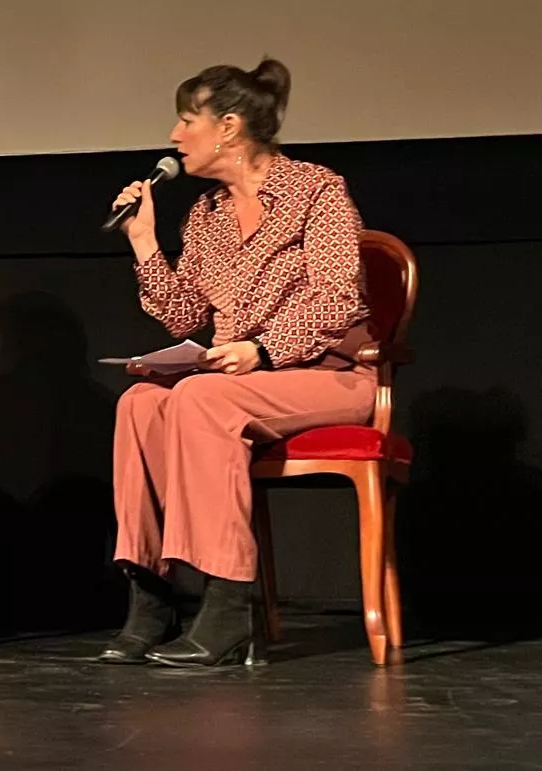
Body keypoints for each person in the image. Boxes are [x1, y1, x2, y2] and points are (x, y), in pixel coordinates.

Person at [101, 59, 375, 667]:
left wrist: (265, 349)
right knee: (140, 403)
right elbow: (183, 316)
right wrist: (144, 242)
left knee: (201, 397)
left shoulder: (316, 190)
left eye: (185, 120)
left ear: (227, 127)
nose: (174, 135)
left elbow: (337, 296)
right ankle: (152, 595)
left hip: (329, 376)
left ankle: (228, 606)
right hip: (240, 383)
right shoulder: (206, 215)